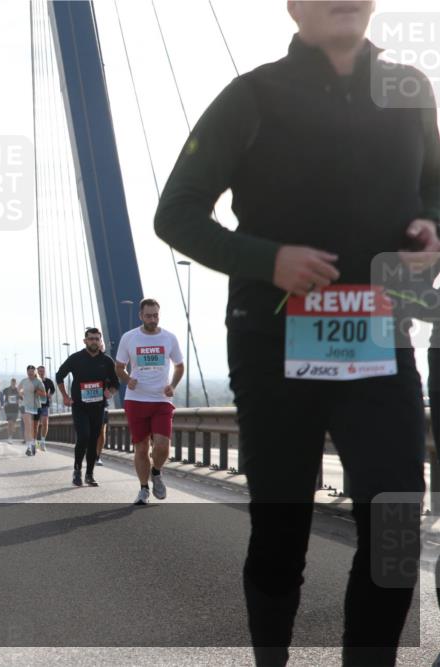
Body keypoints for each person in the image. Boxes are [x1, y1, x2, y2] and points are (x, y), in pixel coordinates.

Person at [154, 2, 438, 662]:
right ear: (292, 4)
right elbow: (176, 213)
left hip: (378, 333)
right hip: (273, 340)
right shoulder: (252, 96)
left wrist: (430, 225)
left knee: (395, 517)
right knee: (282, 532)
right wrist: (269, 259)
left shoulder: (411, 89)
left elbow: (434, 186)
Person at [115, 300, 184, 505]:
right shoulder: (129, 338)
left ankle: (156, 472)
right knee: (142, 448)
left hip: (161, 399)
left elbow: (179, 366)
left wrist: (173, 385)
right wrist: (128, 379)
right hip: (136, 400)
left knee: (162, 445)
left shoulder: (169, 338)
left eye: (156, 315)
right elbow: (119, 367)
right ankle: (144, 489)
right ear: (140, 316)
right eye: (148, 316)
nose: (153, 319)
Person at [56, 328, 121, 486]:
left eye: (97, 339)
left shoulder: (106, 361)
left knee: (93, 440)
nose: (94, 341)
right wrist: (65, 396)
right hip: (79, 406)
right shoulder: (76, 358)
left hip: (97, 407)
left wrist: (110, 391)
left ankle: (89, 475)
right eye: (91, 339)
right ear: (85, 341)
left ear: (100, 341)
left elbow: (116, 383)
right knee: (83, 436)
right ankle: (77, 471)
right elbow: (59, 376)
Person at [19, 365, 46, 457]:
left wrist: (37, 391)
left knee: (34, 427)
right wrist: (20, 394)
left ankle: (34, 443)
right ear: (27, 372)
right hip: (25, 406)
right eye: (28, 372)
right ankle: (29, 447)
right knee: (28, 427)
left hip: (36, 407)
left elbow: (44, 394)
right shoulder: (24, 381)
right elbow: (19, 390)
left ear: (35, 372)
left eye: (32, 372)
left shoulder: (38, 382)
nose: (30, 373)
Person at [36, 365, 56, 451]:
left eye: (43, 371)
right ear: (37, 372)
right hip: (34, 405)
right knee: (35, 425)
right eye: (40, 371)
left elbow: (53, 389)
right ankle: (35, 443)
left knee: (45, 423)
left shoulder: (48, 381)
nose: (41, 372)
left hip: (44, 405)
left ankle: (43, 442)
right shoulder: (34, 381)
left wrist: (50, 395)